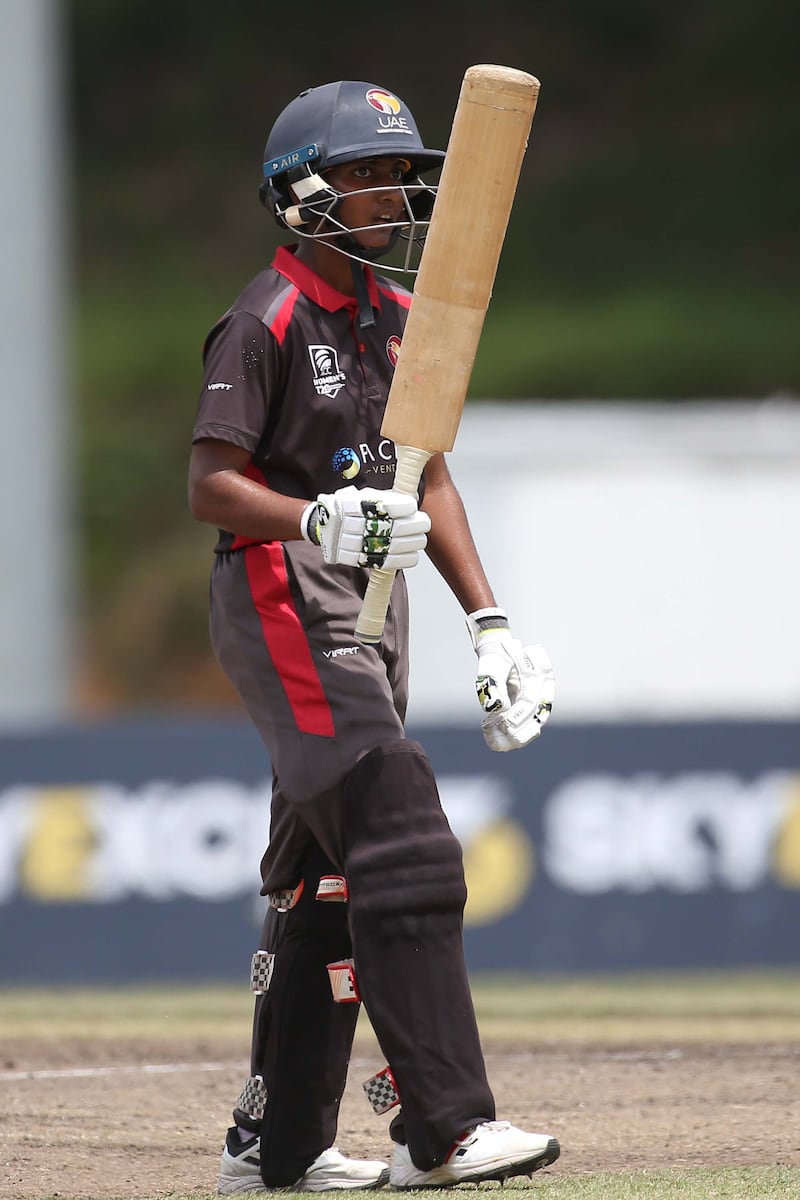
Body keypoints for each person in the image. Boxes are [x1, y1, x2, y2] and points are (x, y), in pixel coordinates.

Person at [188, 79, 558, 1194]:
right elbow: (211, 485)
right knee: (399, 824)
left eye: (399, 175)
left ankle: (277, 1144)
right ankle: (439, 1127)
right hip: (282, 600)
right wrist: (312, 513)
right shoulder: (266, 317)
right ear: (302, 195)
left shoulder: (398, 323)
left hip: (366, 612)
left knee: (322, 880)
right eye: (365, 176)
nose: (393, 196)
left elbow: (427, 474)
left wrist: (487, 620)